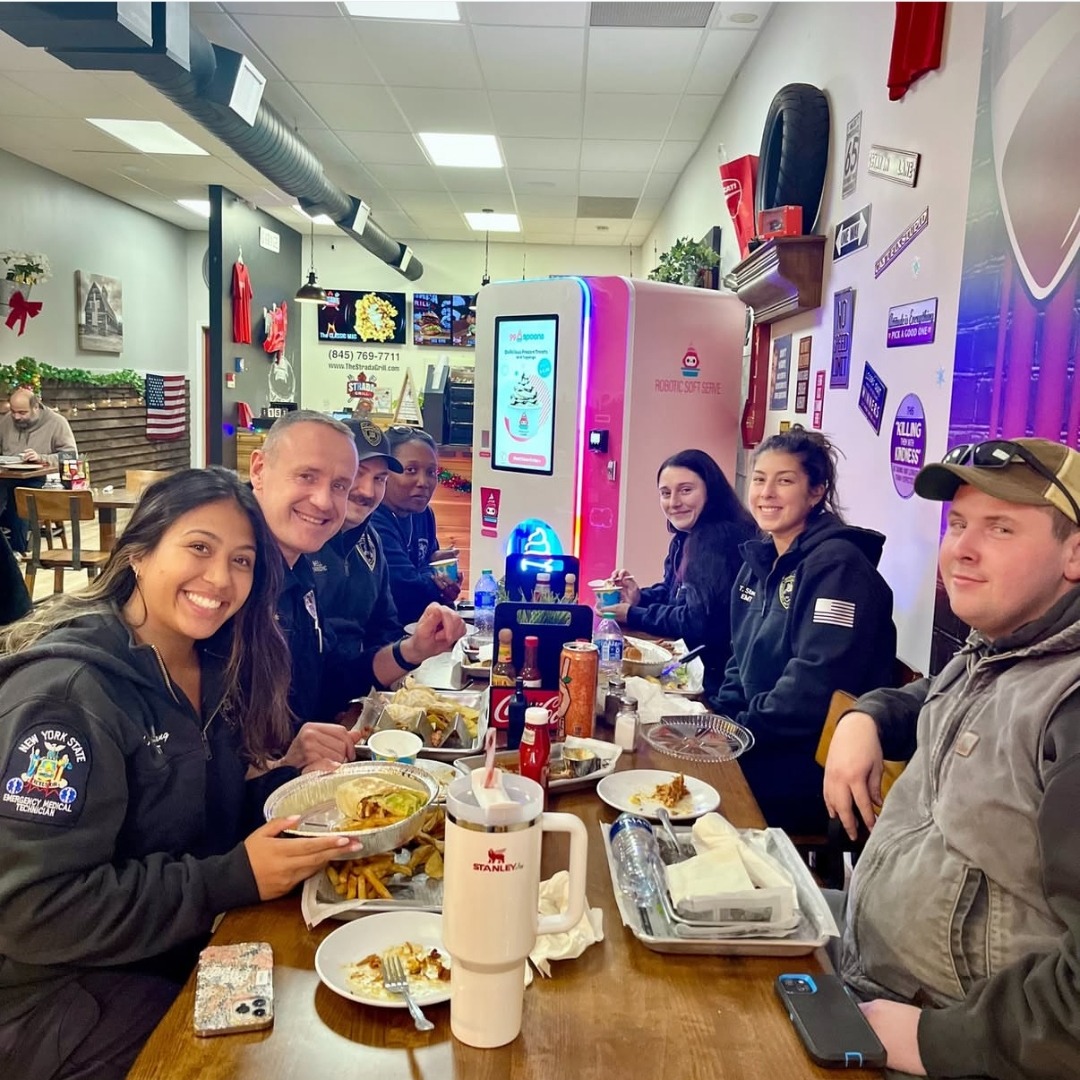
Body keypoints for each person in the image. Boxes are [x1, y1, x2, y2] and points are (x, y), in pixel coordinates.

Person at [0, 468, 361, 1080]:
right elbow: (33, 911)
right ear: (138, 553)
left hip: (170, 949)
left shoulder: (212, 661)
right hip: (56, 999)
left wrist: (304, 798)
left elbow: (194, 817)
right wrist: (229, 879)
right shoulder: (66, 696)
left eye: (242, 561)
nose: (220, 580)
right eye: (199, 548)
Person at [823, 438, 1080, 1079]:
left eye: (1001, 528)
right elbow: (935, 697)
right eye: (959, 523)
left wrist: (941, 1042)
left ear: (1074, 553)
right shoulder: (997, 646)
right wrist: (867, 716)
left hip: (948, 1046)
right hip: (870, 979)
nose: (961, 548)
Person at [711, 426, 896, 835]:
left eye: (785, 481)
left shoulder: (838, 567)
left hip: (811, 764)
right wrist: (716, 721)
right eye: (759, 480)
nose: (766, 493)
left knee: (692, 795)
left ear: (816, 492)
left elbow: (812, 688)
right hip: (760, 740)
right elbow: (737, 663)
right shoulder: (758, 561)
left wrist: (736, 733)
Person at [249, 411, 465, 728]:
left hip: (330, 723)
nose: (365, 491)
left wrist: (412, 651)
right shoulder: (250, 552)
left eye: (378, 479)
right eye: (308, 476)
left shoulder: (360, 543)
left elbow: (335, 672)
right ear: (259, 470)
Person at [606, 449, 756, 695]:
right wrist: (640, 597)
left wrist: (633, 614)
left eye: (686, 490)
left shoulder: (717, 538)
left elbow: (696, 621)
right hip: (692, 668)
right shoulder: (687, 535)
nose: (674, 502)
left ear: (711, 490)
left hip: (712, 683)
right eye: (666, 493)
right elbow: (673, 592)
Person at [370, 426, 461, 625]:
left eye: (431, 472)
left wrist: (442, 579)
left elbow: (429, 573)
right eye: (411, 470)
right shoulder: (372, 520)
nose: (423, 482)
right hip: (388, 639)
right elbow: (406, 591)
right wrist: (431, 573)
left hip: (424, 628)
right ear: (385, 473)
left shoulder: (424, 514)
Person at [0, 387, 78, 554]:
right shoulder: (7, 420)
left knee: (19, 496)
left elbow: (71, 456)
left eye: (22, 412)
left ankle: (17, 550)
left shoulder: (57, 422)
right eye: (13, 411)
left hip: (42, 479)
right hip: (8, 475)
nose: (16, 417)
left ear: (36, 407)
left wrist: (42, 458)